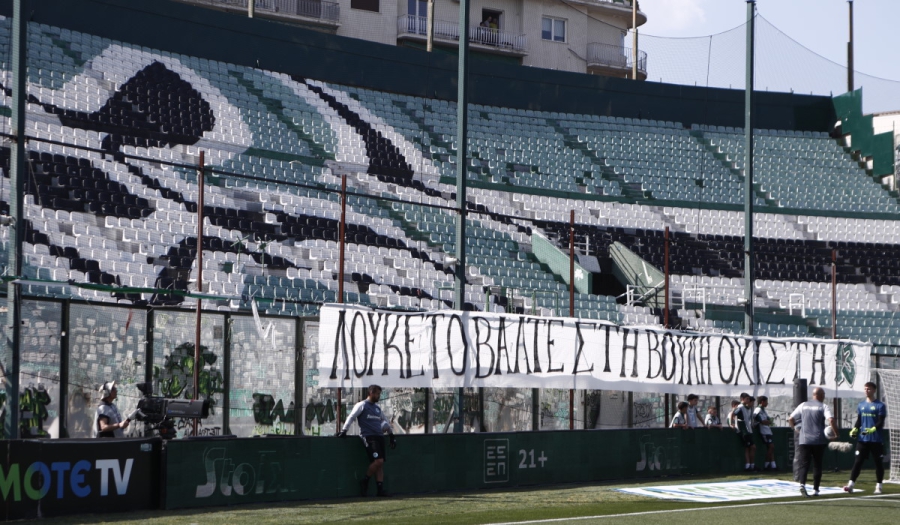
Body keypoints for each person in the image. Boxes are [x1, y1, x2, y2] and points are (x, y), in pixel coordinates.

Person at [337, 385, 396, 497]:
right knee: (378, 461)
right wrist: (344, 430)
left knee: (380, 464)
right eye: (377, 394)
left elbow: (385, 422)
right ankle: (365, 480)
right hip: (369, 437)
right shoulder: (362, 405)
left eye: (379, 394)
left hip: (379, 437)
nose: (379, 396)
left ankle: (380, 490)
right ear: (371, 393)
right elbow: (351, 416)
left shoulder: (377, 408)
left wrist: (391, 435)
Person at [789, 386, 838, 497]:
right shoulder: (823, 406)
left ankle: (802, 484)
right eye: (824, 395)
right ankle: (815, 490)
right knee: (817, 464)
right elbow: (831, 420)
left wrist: (795, 430)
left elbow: (790, 419)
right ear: (821, 395)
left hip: (804, 440)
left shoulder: (803, 405)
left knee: (804, 464)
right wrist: (836, 434)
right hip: (818, 440)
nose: (824, 397)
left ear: (813, 395)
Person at [844, 381, 886, 495]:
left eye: (869, 389)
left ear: (874, 390)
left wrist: (872, 429)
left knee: (878, 463)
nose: (867, 391)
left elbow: (881, 422)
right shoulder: (861, 405)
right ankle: (851, 485)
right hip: (863, 440)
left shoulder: (880, 405)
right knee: (858, 462)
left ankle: (879, 486)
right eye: (865, 389)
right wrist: (855, 429)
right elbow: (859, 420)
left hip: (876, 440)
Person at [733, 395, 757, 471]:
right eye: (748, 399)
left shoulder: (748, 409)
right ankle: (749, 465)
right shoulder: (740, 407)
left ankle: (749, 465)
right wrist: (732, 423)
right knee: (752, 447)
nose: (752, 404)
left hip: (748, 430)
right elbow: (733, 414)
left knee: (748, 448)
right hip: (744, 431)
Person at [754, 396, 777, 471]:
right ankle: (766, 465)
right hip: (763, 431)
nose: (767, 403)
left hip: (768, 430)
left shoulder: (763, 410)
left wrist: (767, 421)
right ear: (762, 402)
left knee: (771, 448)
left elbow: (769, 420)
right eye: (766, 401)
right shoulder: (758, 410)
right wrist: (765, 422)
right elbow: (761, 421)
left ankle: (773, 465)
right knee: (771, 447)